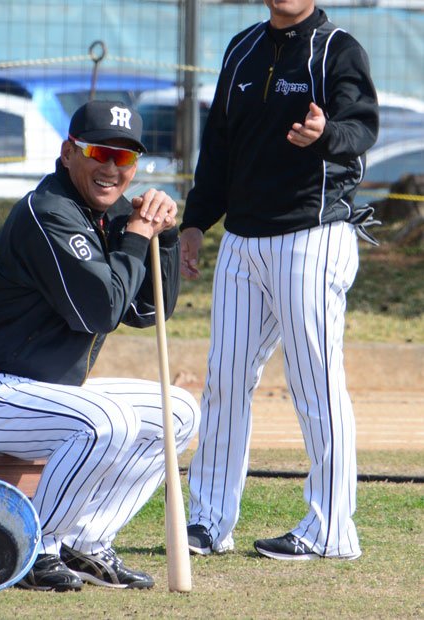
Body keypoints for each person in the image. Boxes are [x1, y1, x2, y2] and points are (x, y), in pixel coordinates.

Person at [0, 99, 200, 590]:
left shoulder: (116, 216)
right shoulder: (48, 212)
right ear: (68, 153)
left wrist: (159, 239)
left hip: (44, 395)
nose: (110, 168)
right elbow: (99, 310)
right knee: (107, 422)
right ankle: (33, 548)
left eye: (124, 158)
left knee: (178, 411)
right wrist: (136, 235)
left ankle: (87, 543)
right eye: (99, 152)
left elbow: (145, 311)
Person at [180, 0, 379, 561]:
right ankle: (210, 522)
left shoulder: (337, 47)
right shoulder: (241, 48)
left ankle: (331, 529)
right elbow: (217, 147)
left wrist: (326, 132)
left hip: (312, 235)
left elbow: (362, 127)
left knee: (314, 381)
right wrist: (196, 223)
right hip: (243, 240)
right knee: (224, 379)